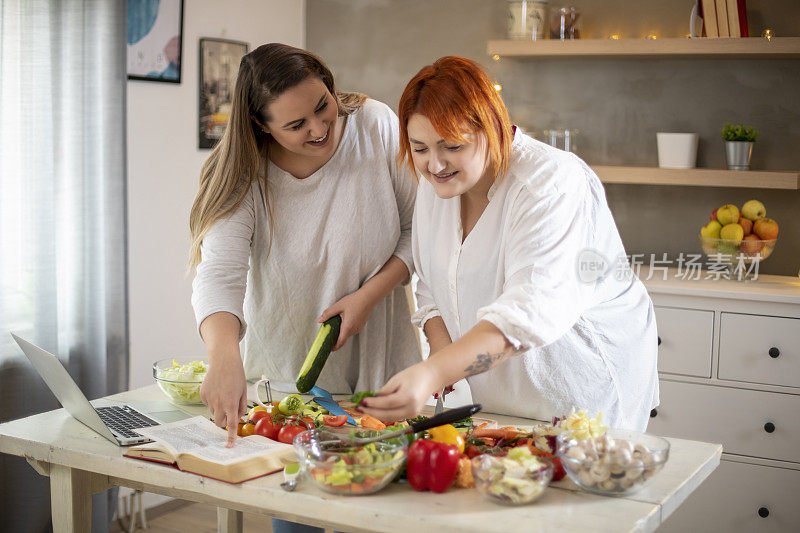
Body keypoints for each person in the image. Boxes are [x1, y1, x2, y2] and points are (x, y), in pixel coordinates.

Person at [361, 56, 659, 431]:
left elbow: (529, 310)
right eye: (419, 148)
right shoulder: (437, 184)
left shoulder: (549, 183)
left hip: (581, 388)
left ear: (492, 127)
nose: (434, 164)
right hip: (502, 396)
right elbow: (432, 289)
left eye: (451, 145)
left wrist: (435, 372)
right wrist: (442, 358)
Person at [189, 43, 421, 447]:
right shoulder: (245, 172)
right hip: (286, 384)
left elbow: (418, 231)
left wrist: (368, 295)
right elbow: (219, 274)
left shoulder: (374, 125)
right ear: (262, 126)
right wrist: (223, 356)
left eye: (322, 105)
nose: (318, 128)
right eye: (296, 125)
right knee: (294, 502)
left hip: (384, 372)